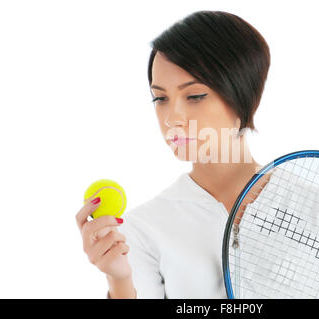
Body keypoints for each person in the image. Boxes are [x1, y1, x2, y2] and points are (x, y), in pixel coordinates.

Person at [75, 10, 271, 298]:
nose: (172, 118)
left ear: (242, 96)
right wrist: (119, 281)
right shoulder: (141, 229)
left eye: (194, 96)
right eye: (161, 98)